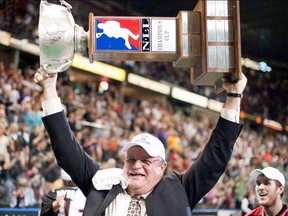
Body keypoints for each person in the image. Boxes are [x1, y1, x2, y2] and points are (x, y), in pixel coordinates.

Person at [37, 71, 247, 216]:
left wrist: (234, 95)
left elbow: (215, 157)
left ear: (162, 166)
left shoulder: (179, 189)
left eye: (146, 160)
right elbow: (65, 149)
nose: (136, 165)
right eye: (131, 159)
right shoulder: (101, 183)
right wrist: (48, 87)